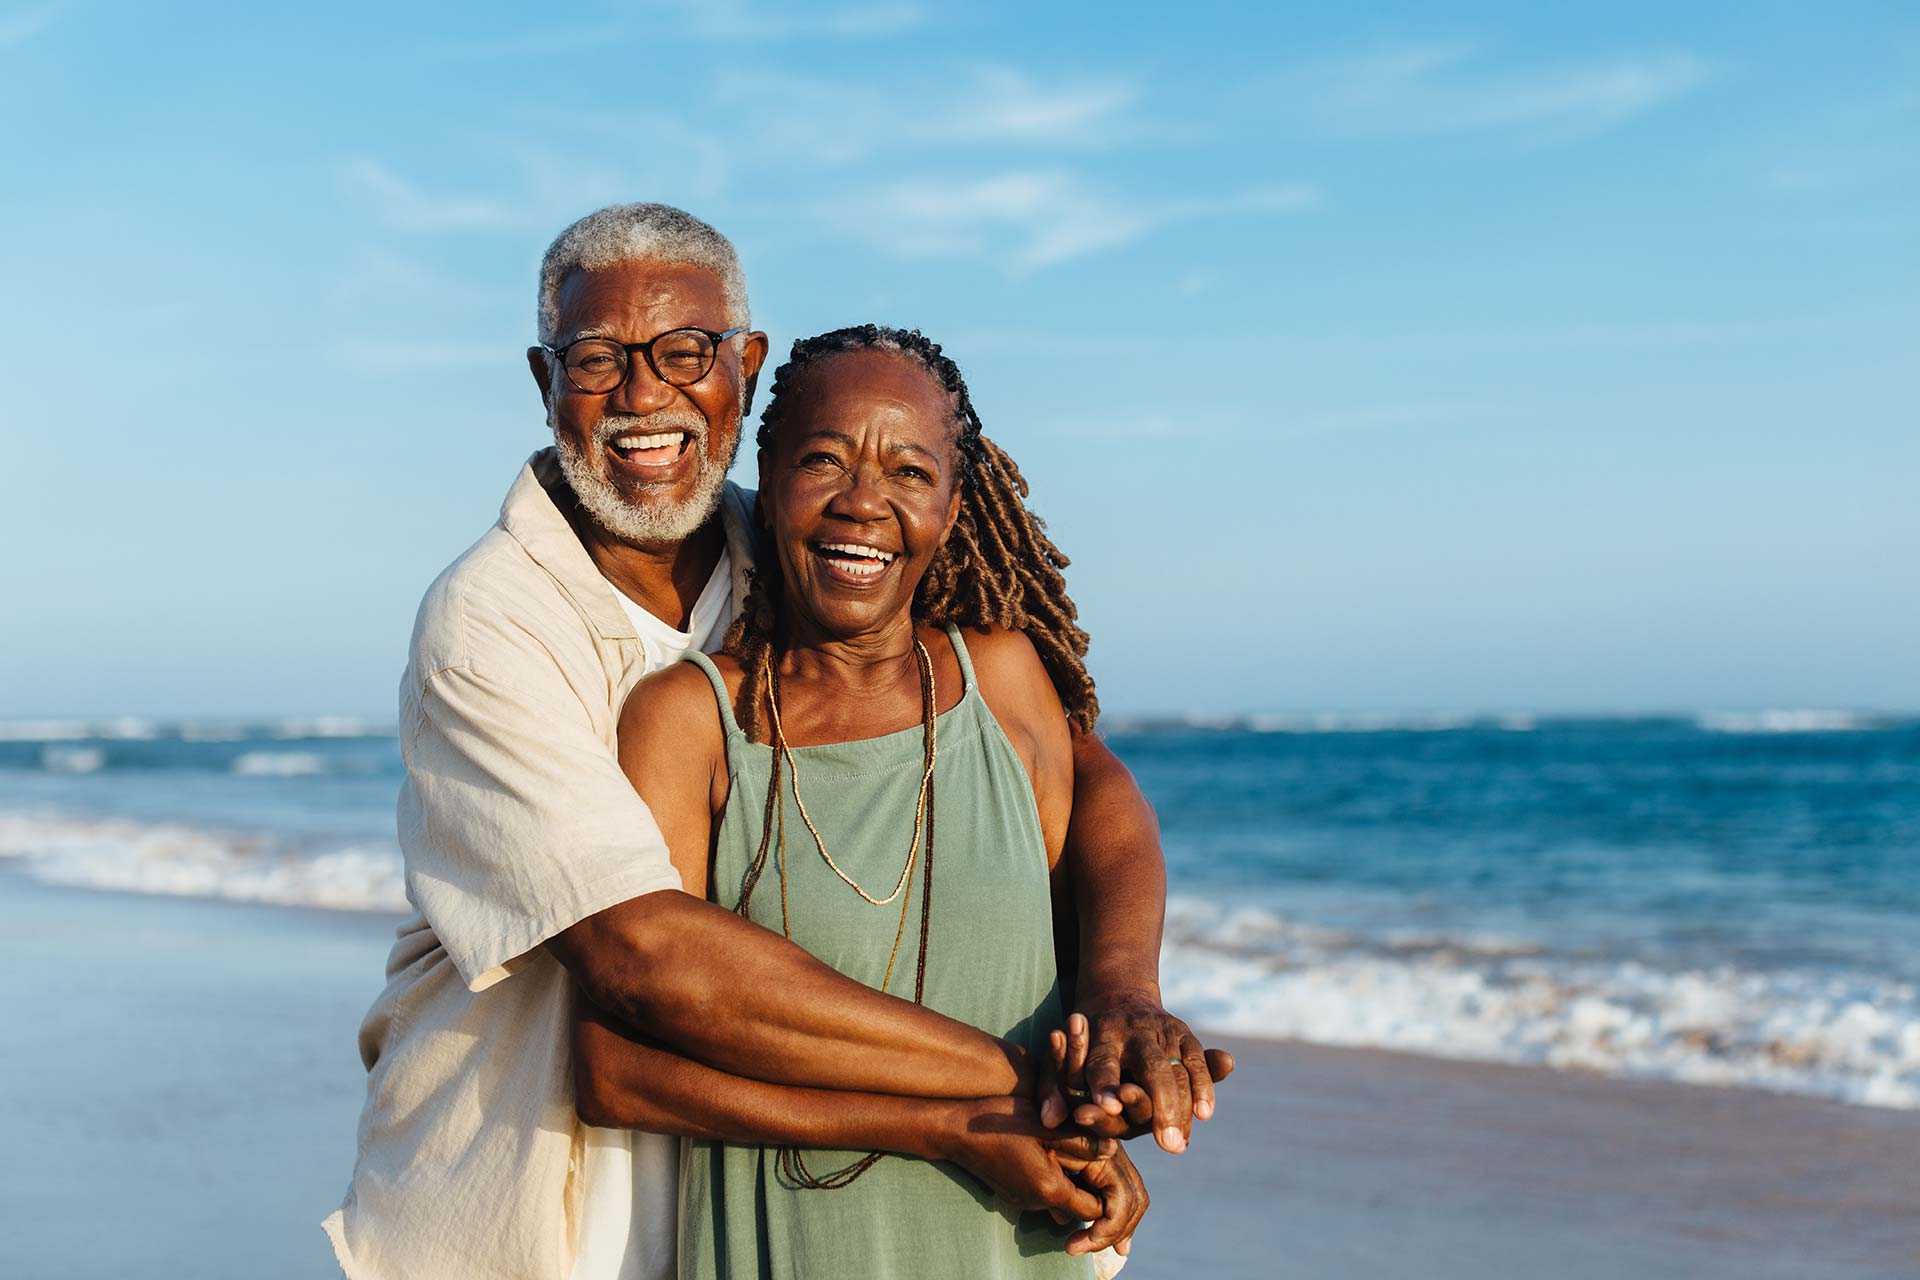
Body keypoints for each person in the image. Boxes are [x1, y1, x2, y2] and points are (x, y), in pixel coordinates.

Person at [324, 204, 1223, 1280]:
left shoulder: (803, 539)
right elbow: (644, 955)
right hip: (530, 1196)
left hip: (764, 1183)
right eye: (599, 358)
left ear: (743, 369)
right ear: (545, 379)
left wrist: (1123, 991)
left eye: (685, 352)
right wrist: (1022, 1087)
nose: (644, 395)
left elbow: (1079, 771)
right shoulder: (490, 621)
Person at [576, 325, 1223, 1278]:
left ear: (955, 505)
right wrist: (956, 1126)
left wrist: (1120, 1016)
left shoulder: (998, 680)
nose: (863, 503)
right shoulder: (693, 723)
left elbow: (1105, 800)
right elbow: (615, 1074)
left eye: (909, 472)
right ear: (767, 475)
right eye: (823, 460)